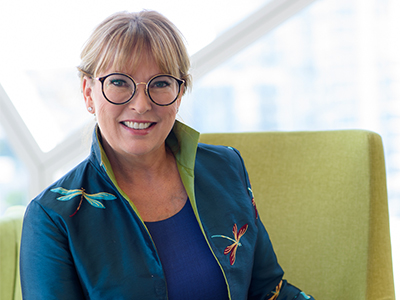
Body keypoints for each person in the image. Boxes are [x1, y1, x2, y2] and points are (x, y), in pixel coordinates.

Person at [20, 10, 314, 300]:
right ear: (88, 92)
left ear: (181, 92)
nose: (141, 104)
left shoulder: (226, 167)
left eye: (160, 83)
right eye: (119, 82)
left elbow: (268, 291)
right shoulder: (52, 217)